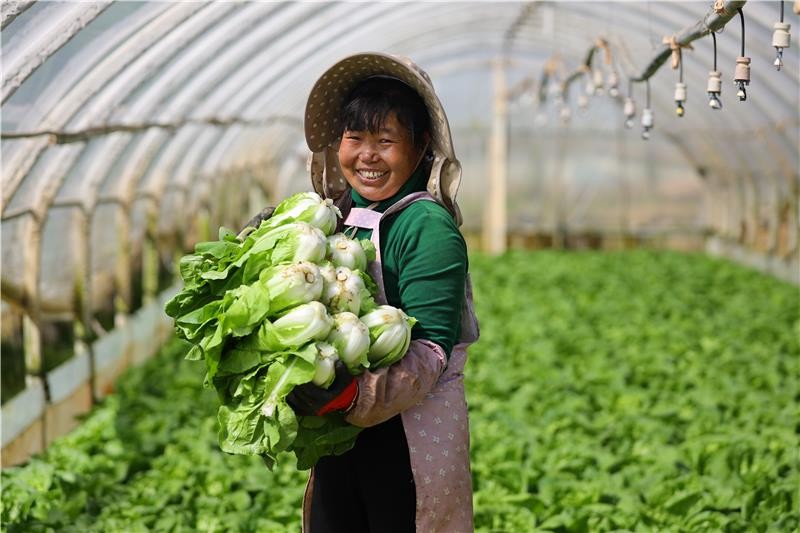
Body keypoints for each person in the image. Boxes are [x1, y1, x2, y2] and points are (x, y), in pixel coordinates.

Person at [257, 52, 479, 533]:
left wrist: (353, 392)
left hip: (406, 435)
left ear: (420, 148)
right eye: (354, 138)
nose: (367, 156)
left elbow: (431, 349)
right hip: (338, 433)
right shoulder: (334, 214)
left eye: (386, 141)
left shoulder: (427, 226)